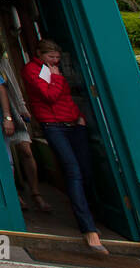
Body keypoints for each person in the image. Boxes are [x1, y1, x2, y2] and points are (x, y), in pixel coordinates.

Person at [21, 39, 107, 253]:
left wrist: (78, 116)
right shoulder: (33, 70)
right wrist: (57, 78)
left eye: (57, 57)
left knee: (86, 171)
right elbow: (49, 96)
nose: (55, 61)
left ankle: (93, 216)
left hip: (73, 123)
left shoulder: (54, 70)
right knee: (73, 171)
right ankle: (88, 227)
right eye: (51, 57)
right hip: (53, 125)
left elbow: (67, 97)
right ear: (39, 54)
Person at [0, 36, 50, 213]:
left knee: (23, 152)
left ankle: (33, 194)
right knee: (4, 159)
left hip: (9, 114)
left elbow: (8, 88)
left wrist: (15, 112)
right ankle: (13, 196)